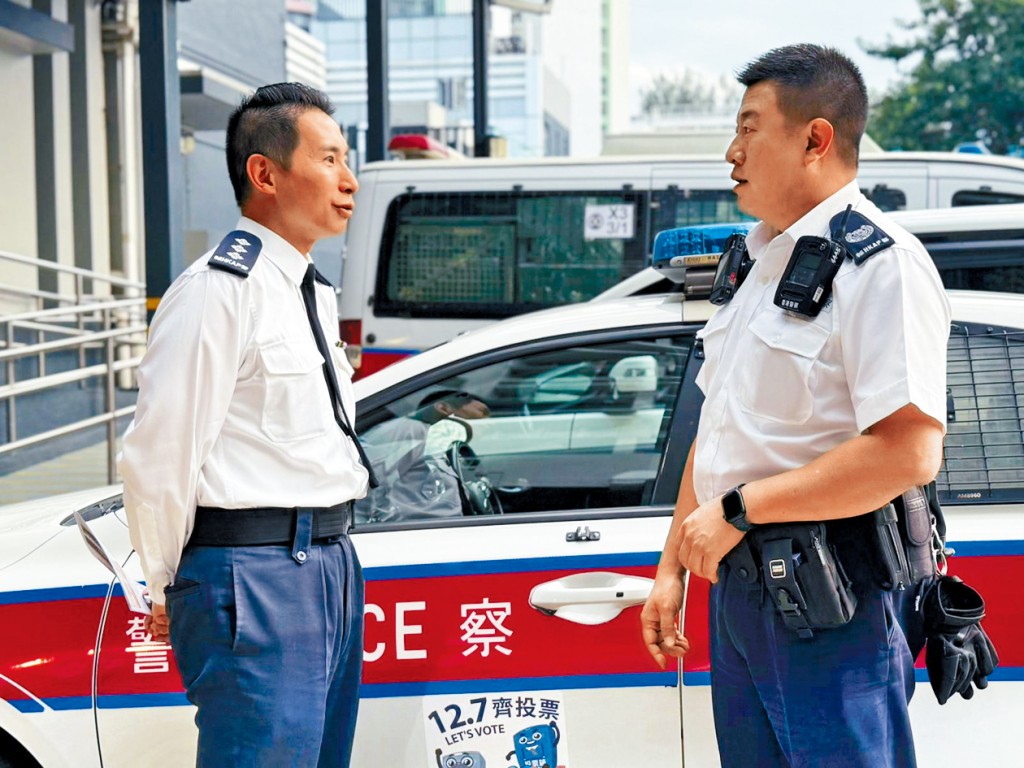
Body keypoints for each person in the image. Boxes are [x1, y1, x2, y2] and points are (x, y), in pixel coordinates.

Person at [640, 44, 950, 767]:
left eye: (751, 129)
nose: (732, 151)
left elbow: (907, 452)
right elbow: (718, 433)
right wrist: (671, 567)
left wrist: (740, 510)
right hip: (741, 593)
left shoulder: (879, 266)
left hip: (829, 601)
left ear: (814, 139)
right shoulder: (757, 265)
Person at [119, 82, 371, 767]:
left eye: (348, 160)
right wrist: (169, 581)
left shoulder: (310, 292)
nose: (348, 180)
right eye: (328, 160)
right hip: (252, 573)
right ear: (265, 173)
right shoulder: (216, 291)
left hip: (328, 560)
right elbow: (158, 455)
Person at [358, 390, 491, 522]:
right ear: (443, 408)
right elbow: (372, 485)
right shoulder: (410, 430)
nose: (488, 421)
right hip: (417, 530)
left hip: (446, 526)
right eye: (482, 412)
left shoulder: (438, 440)